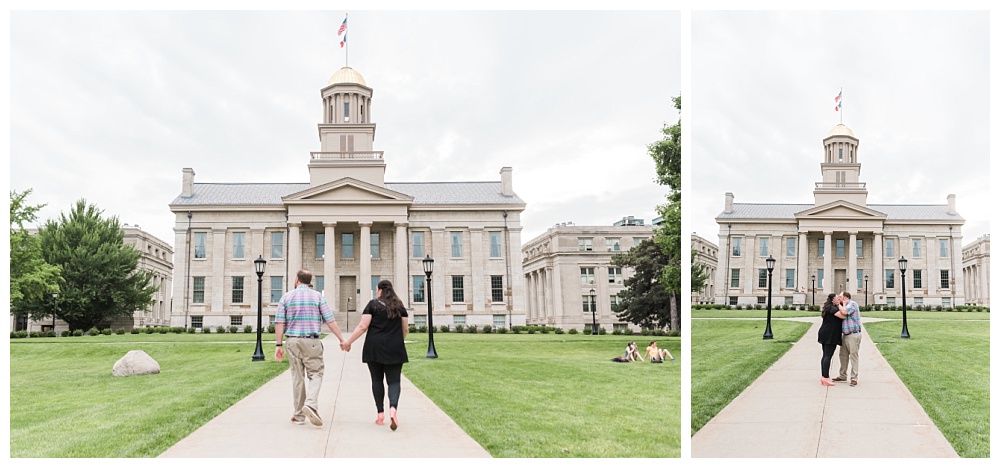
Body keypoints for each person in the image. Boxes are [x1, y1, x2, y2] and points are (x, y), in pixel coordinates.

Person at [274, 269, 346, 426]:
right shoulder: (318, 297)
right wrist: (341, 339)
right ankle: (310, 404)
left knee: (297, 377)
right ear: (309, 281)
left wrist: (278, 345)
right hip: (311, 341)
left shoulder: (286, 297)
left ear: (296, 280)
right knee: (316, 374)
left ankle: (299, 415)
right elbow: (330, 320)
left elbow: (279, 322)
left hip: (292, 341)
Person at [341, 279, 409, 431]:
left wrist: (348, 342)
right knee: (394, 381)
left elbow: (362, 326)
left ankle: (380, 415)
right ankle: (393, 409)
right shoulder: (400, 307)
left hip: (374, 347)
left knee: (377, 380)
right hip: (394, 348)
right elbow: (405, 329)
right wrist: (398, 342)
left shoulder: (373, 305)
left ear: (379, 290)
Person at [833, 291, 862, 386]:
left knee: (853, 356)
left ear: (845, 297)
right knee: (843, 356)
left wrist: (839, 304)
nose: (838, 298)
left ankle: (854, 378)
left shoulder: (852, 304)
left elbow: (844, 312)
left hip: (853, 334)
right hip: (845, 335)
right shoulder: (844, 305)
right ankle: (842, 375)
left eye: (840, 297)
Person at [817, 293, 847, 386]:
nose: (839, 299)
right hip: (829, 334)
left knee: (825, 355)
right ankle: (825, 378)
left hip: (826, 333)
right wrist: (842, 305)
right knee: (828, 356)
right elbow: (844, 316)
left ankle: (823, 377)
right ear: (833, 299)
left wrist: (839, 304)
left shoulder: (829, 307)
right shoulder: (832, 308)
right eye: (837, 298)